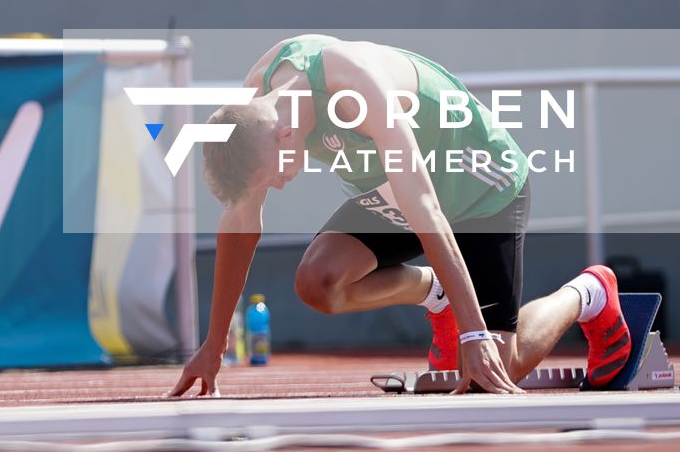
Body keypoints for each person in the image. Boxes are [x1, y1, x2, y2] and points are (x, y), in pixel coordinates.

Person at [170, 34, 629, 397]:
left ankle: (590, 293)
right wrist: (214, 343)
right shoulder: (255, 105)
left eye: (275, 175)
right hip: (395, 195)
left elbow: (426, 206)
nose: (279, 184)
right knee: (318, 282)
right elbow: (240, 220)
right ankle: (439, 296)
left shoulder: (354, 88)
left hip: (477, 190)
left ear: (287, 134)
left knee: (490, 367)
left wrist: (473, 335)